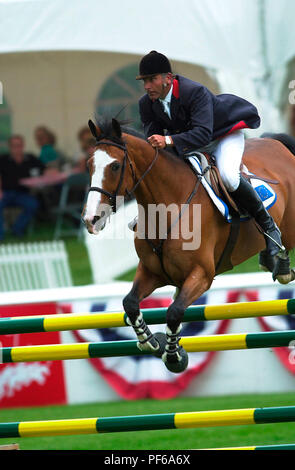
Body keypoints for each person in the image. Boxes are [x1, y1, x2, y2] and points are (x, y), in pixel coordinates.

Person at [136, 50, 283, 265]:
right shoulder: (146, 103)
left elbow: (203, 134)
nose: (147, 86)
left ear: (168, 78)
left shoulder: (194, 92)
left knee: (228, 177)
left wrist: (167, 141)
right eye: (144, 81)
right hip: (188, 143)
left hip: (221, 136)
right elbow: (153, 139)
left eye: (152, 79)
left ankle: (270, 228)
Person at [0, 135, 44, 240]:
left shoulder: (30, 158)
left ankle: (17, 229)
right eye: (14, 146)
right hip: (5, 193)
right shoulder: (3, 159)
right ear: (10, 147)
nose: (17, 148)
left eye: (19, 145)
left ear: (23, 146)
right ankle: (0, 235)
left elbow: (43, 170)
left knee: (33, 204)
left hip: (23, 194)